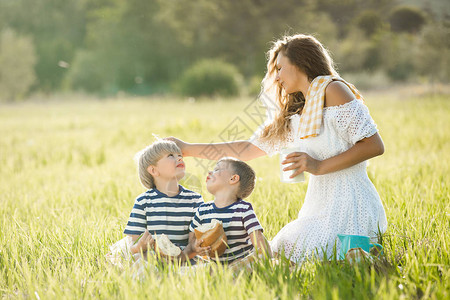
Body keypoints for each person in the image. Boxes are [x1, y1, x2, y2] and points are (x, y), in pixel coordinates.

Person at [167, 33, 388, 263]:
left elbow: (373, 145)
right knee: (279, 253)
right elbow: (248, 149)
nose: (277, 77)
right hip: (318, 208)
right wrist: (188, 148)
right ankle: (224, 277)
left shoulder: (334, 90)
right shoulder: (297, 113)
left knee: (304, 255)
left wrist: (318, 166)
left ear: (301, 63)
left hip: (351, 206)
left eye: (281, 68)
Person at [106, 140, 209, 266]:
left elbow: (195, 241)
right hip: (153, 258)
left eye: (180, 156)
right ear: (154, 170)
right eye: (171, 156)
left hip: (185, 257)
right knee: (142, 266)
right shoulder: (144, 202)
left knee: (206, 270)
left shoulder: (195, 200)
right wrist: (139, 246)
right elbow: (132, 242)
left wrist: (188, 254)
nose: (179, 158)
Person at [188, 157, 271, 264]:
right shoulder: (203, 210)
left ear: (233, 179)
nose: (210, 172)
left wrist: (266, 259)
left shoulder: (243, 209)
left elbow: (257, 238)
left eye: (217, 170)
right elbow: (192, 236)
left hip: (241, 263)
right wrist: (195, 246)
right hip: (214, 265)